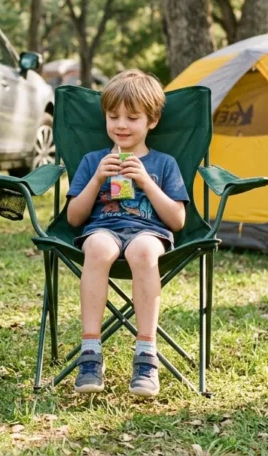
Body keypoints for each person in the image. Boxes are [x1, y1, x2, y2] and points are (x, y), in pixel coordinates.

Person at [65, 69, 188, 398]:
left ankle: (146, 354)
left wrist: (147, 180)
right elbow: (74, 217)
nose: (121, 125)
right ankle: (90, 354)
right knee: (98, 249)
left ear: (152, 121)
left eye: (132, 117)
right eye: (112, 116)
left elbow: (177, 220)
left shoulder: (164, 164)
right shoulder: (94, 161)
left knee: (144, 252)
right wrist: (96, 179)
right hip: (102, 229)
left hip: (149, 233)